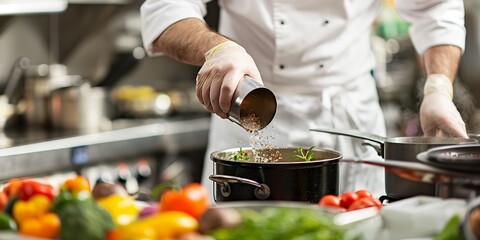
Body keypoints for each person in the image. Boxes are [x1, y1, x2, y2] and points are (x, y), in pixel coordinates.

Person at [140, 0, 468, 198]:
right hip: (245, 103)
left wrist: (438, 87)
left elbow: (434, 7)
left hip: (347, 113)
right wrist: (216, 48)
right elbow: (165, 8)